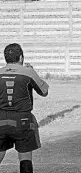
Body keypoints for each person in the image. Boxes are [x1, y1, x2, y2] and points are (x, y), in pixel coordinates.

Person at [0, 43, 49, 173]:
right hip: (22, 120)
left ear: (5, 58)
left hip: (0, 119)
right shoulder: (28, 72)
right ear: (21, 57)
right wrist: (33, 71)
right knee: (25, 158)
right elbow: (44, 92)